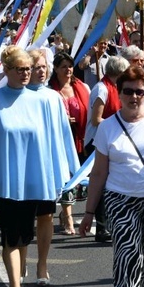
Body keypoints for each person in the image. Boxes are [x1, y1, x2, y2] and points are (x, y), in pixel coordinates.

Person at [0, 46, 78, 287]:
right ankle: (15, 285)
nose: (27, 74)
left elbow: (53, 142)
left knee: (25, 235)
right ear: (7, 71)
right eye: (21, 70)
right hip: (5, 183)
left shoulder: (42, 100)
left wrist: (62, 173)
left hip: (34, 182)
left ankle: (34, 269)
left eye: (29, 69)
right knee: (11, 238)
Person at [79, 66, 144, 287]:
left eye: (139, 92)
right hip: (121, 199)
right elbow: (98, 173)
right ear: (119, 92)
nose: (134, 97)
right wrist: (89, 212)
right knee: (129, 255)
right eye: (128, 91)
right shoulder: (107, 127)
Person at [26, 47, 78, 286]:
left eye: (43, 67)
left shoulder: (53, 97)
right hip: (23, 167)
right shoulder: (13, 95)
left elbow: (64, 134)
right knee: (24, 218)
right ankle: (22, 258)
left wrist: (70, 166)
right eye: (36, 67)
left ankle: (42, 264)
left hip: (46, 166)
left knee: (45, 214)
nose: (40, 71)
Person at [84, 55, 130, 242]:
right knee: (102, 186)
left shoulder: (117, 89)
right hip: (97, 141)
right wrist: (120, 124)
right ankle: (102, 227)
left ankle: (110, 224)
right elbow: (97, 119)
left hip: (112, 141)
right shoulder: (102, 89)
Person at [49, 52, 91, 235]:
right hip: (58, 140)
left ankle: (66, 214)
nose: (68, 69)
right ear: (56, 69)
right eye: (63, 66)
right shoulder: (49, 90)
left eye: (70, 65)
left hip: (79, 139)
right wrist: (61, 118)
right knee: (65, 178)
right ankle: (68, 218)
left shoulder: (82, 87)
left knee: (75, 179)